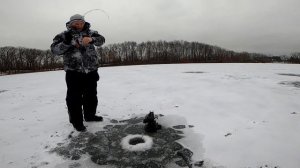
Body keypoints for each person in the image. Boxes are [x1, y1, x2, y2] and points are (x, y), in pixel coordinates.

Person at [51, 14, 105, 132]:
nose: (78, 24)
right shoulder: (63, 35)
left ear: (84, 23)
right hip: (73, 72)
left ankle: (90, 116)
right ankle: (77, 122)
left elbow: (102, 40)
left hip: (91, 71)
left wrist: (92, 39)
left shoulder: (91, 32)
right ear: (70, 24)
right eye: (75, 23)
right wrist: (67, 43)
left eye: (81, 22)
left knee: (91, 96)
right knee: (74, 98)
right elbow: (54, 50)